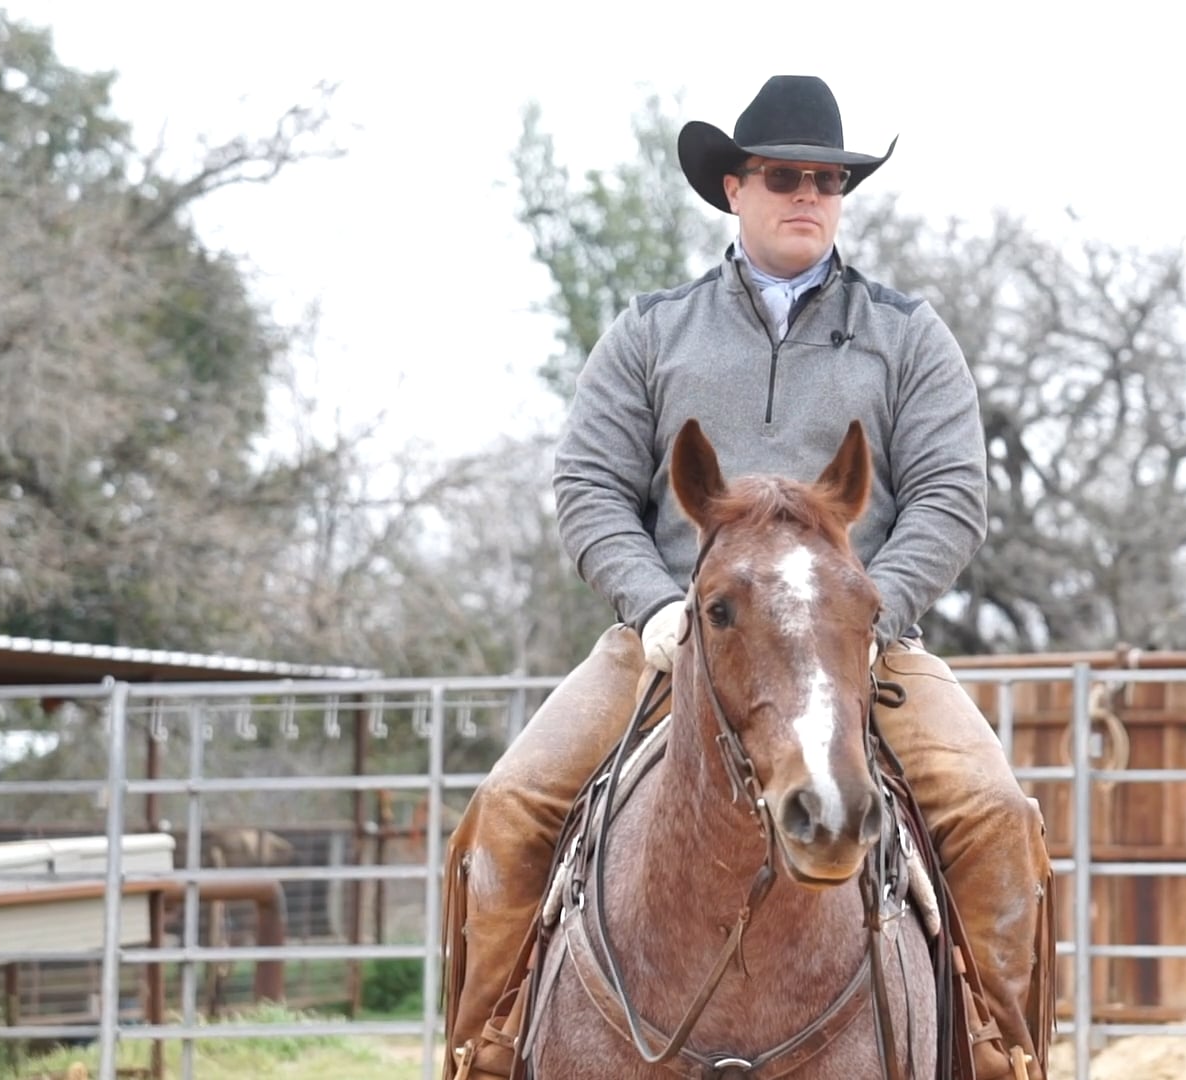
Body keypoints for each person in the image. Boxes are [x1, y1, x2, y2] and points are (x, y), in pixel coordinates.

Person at [440, 75, 1051, 1080]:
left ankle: (995, 1048)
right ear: (736, 187)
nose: (807, 193)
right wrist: (653, 609)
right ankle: (490, 1041)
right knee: (511, 804)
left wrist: (865, 614)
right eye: (783, 176)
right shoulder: (651, 331)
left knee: (994, 812)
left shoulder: (908, 333)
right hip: (676, 638)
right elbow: (589, 483)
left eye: (827, 179)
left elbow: (951, 494)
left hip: (862, 647)